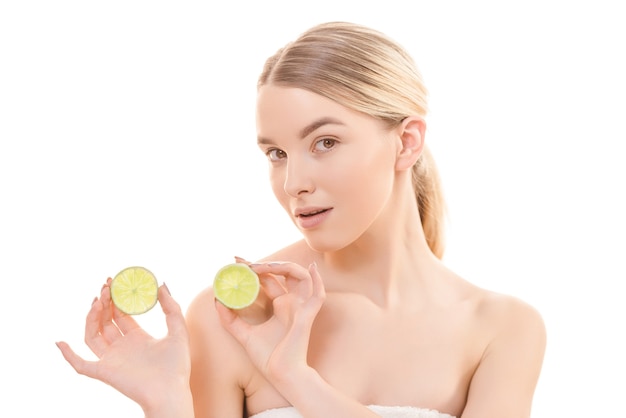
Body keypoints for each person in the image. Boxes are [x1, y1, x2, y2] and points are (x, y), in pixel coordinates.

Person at [56, 21, 546, 418]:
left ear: (407, 141)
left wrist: (297, 380)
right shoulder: (230, 316)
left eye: (324, 143)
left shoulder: (502, 329)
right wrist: (165, 406)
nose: (293, 183)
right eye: (276, 153)